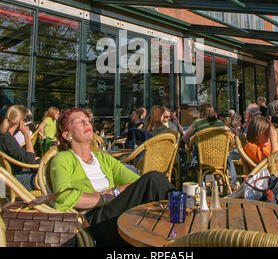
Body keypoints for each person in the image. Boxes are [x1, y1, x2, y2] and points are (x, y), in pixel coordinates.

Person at [50, 107, 176, 246]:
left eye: (87, 120)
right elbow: (63, 196)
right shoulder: (62, 159)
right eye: (79, 122)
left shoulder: (102, 158)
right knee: (153, 179)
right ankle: (187, 213)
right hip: (94, 220)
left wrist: (116, 192)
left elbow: (137, 182)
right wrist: (106, 196)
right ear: (67, 135)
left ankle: (178, 230)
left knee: (153, 181)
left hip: (115, 209)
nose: (86, 124)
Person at [181, 104, 239, 190]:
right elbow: (230, 136)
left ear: (201, 113)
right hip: (220, 159)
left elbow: (185, 137)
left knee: (196, 150)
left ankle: (197, 184)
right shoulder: (220, 123)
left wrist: (191, 147)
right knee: (227, 155)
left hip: (202, 159)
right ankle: (233, 182)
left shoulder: (197, 123)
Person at [0, 105, 40, 190]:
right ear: (21, 121)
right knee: (47, 178)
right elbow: (29, 160)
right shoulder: (7, 138)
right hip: (11, 180)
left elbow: (17, 154)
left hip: (4, 178)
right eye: (25, 120)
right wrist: (27, 136)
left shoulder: (4, 136)